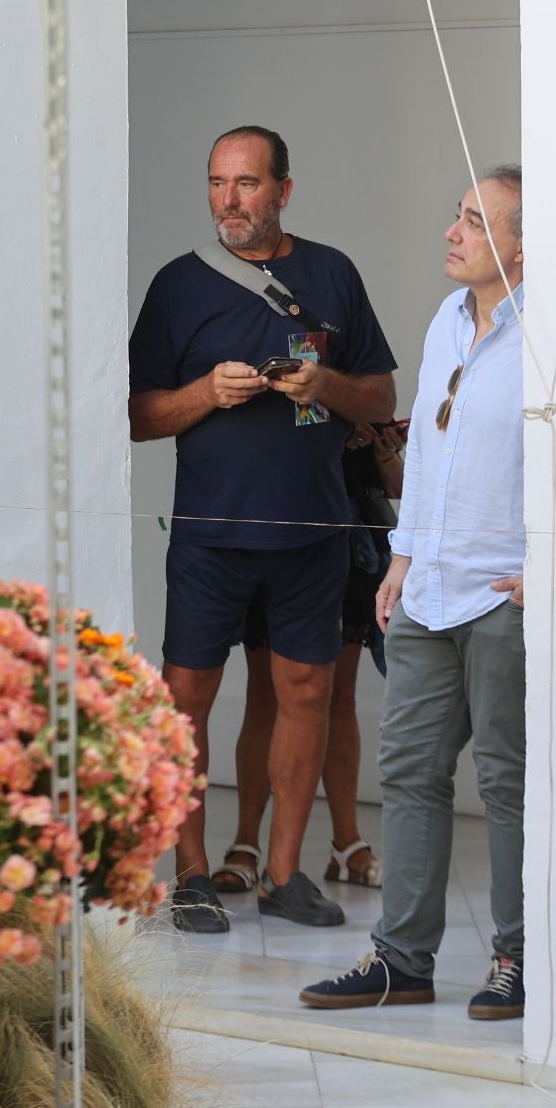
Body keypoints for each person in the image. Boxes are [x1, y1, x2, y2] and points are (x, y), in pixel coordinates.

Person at [129, 126, 398, 931]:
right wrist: (206, 393)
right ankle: (192, 875)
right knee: (187, 701)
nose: (229, 201)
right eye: (217, 183)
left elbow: (380, 397)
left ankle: (284, 876)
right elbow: (138, 416)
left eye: (246, 184)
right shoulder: (179, 286)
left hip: (313, 531)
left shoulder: (332, 273)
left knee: (307, 693)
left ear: (283, 189)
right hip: (211, 534)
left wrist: (328, 383)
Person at [300, 165, 529, 1021]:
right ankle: (402, 960)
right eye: (457, 215)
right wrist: (399, 560)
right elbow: (425, 455)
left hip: (503, 594)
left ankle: (519, 958)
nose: (453, 231)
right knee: (410, 770)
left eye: (475, 220)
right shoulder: (443, 321)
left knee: (506, 781)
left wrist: (545, 571)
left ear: (519, 246)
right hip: (427, 588)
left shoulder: (547, 334)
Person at [211, 421, 406, 900]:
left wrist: (375, 438)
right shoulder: (284, 363)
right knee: (266, 695)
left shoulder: (356, 365)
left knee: (338, 697)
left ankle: (347, 846)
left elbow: (397, 483)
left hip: (348, 533)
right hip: (277, 526)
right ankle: (246, 844)